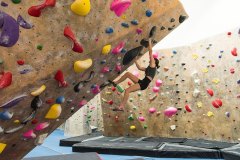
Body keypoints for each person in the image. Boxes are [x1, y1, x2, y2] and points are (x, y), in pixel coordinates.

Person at [109, 38, 160, 111]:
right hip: (143, 82)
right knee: (128, 74)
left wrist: (149, 42)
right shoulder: (149, 68)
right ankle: (115, 83)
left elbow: (150, 52)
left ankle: (121, 107)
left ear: (154, 62)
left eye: (152, 59)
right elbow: (139, 68)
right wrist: (135, 59)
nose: (151, 59)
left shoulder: (153, 65)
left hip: (144, 83)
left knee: (127, 90)